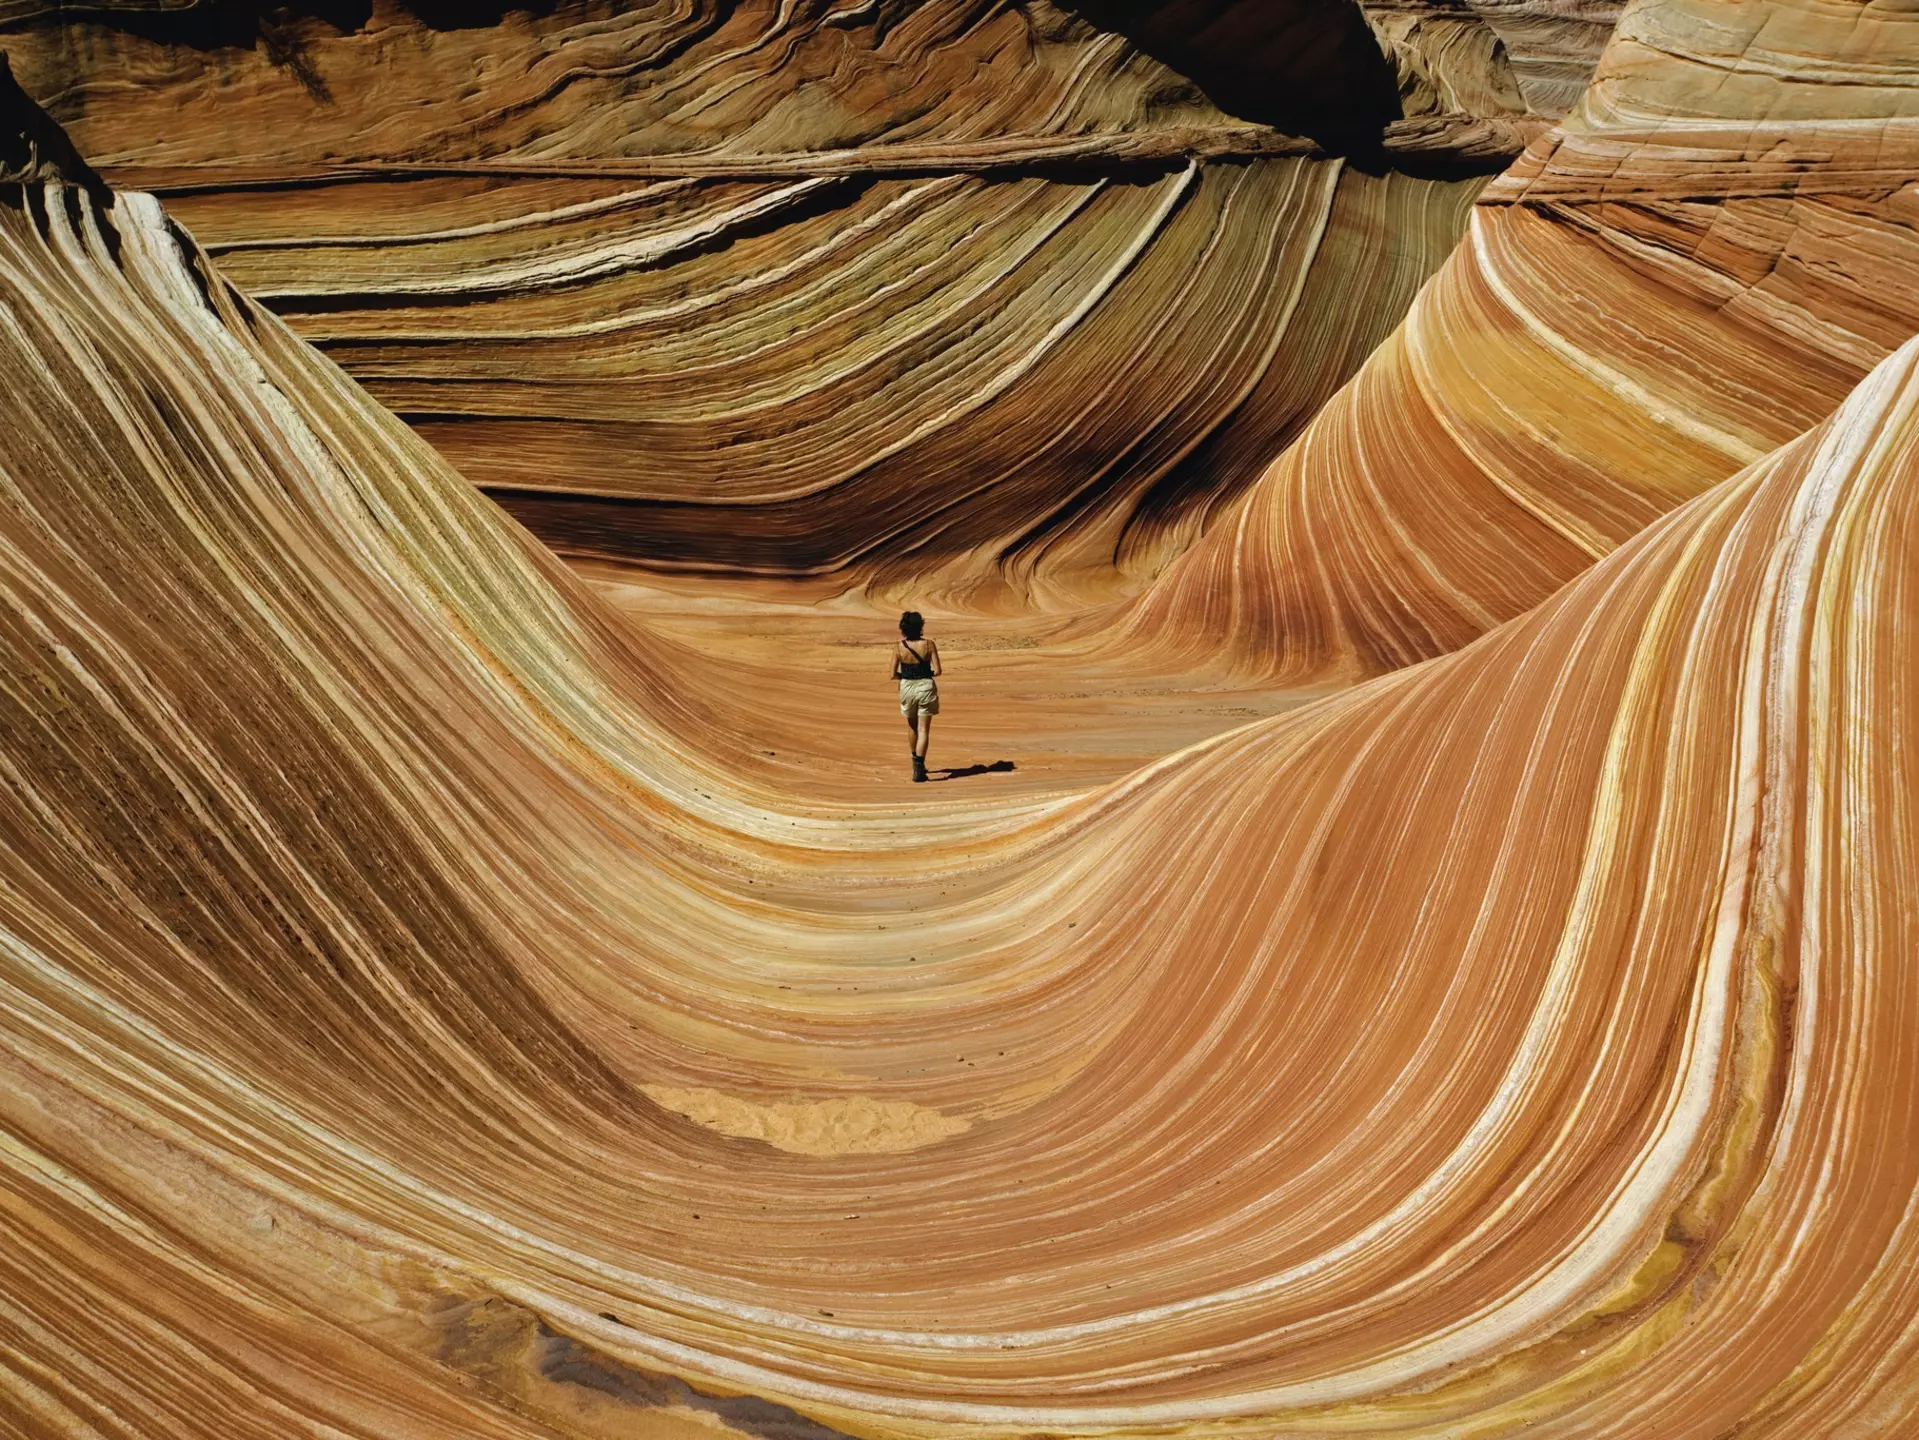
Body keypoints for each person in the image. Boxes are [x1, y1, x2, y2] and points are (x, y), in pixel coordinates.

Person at [891, 610, 941, 783]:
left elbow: (892, 674)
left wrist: (906, 676)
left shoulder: (899, 646)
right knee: (923, 730)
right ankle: (919, 767)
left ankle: (916, 763)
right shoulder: (929, 644)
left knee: (912, 727)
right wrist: (925, 673)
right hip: (925, 686)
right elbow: (939, 671)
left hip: (906, 687)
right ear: (921, 626)